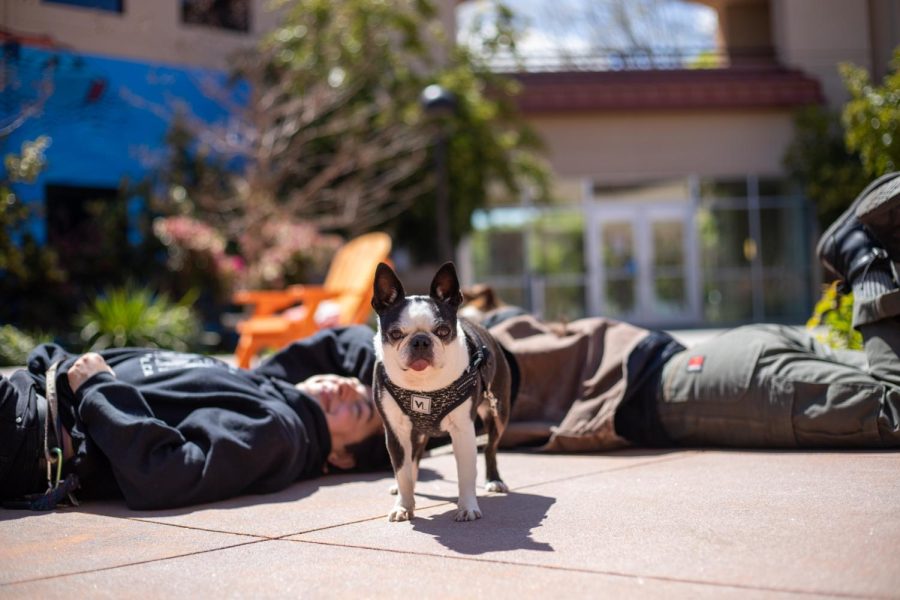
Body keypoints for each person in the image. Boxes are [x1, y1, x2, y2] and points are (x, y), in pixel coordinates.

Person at [2, 173, 899, 511]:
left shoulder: (357, 387)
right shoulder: (401, 397)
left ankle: (864, 257)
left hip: (655, 375)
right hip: (654, 374)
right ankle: (860, 268)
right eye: (363, 396)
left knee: (881, 401)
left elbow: (328, 363)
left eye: (353, 392)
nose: (348, 387)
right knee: (865, 383)